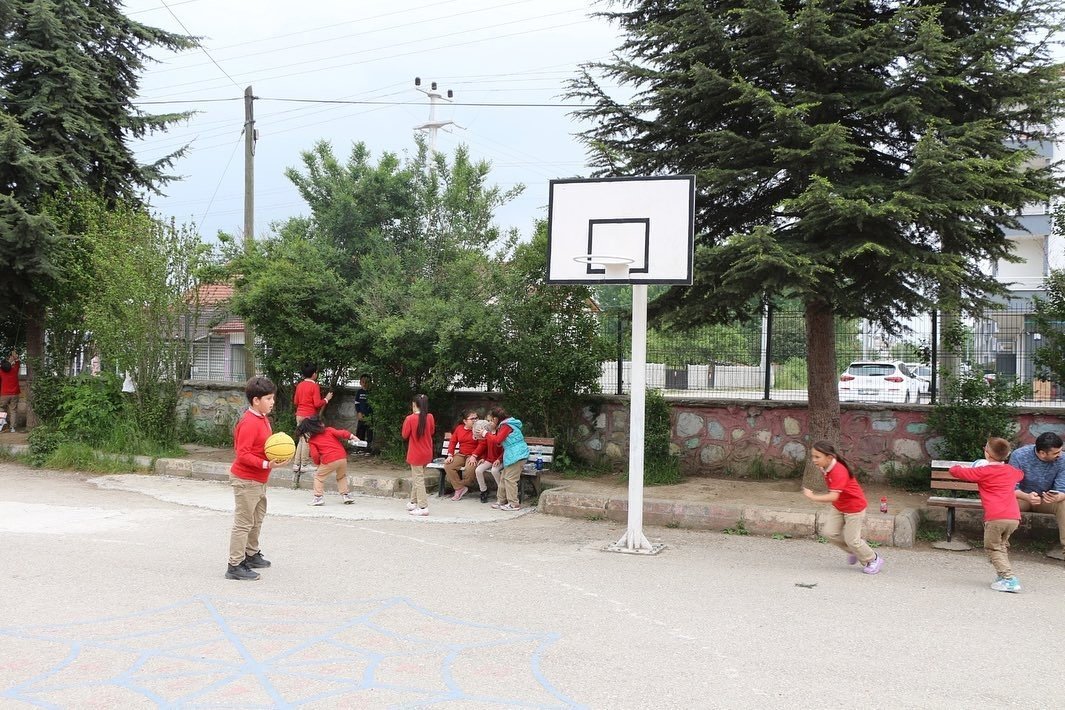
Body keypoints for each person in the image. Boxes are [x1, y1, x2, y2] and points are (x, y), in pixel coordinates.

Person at [226, 376, 286, 581]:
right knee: (243, 522)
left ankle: (251, 554)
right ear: (255, 401)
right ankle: (234, 565)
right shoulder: (249, 422)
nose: (272, 402)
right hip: (246, 480)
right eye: (268, 398)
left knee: (257, 519)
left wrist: (276, 457)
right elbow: (242, 454)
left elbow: (263, 448)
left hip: (260, 479)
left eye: (272, 398)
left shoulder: (263, 419)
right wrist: (265, 464)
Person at [949, 438, 1024, 593]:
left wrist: (958, 466)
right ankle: (1002, 576)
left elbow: (957, 472)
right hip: (1013, 517)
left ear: (987, 454)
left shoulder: (983, 471)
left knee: (993, 547)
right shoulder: (1011, 471)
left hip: (996, 517)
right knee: (1001, 546)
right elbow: (1021, 474)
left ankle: (1009, 579)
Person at [802, 440, 884, 575]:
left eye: (817, 457)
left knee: (852, 540)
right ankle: (857, 551)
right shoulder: (825, 467)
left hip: (854, 508)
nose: (814, 460)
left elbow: (833, 496)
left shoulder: (838, 470)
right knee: (829, 533)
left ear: (829, 457)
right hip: (840, 506)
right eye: (813, 456)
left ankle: (873, 559)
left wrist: (812, 496)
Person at [1009, 431, 1065, 560]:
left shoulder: (1063, 459)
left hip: (1046, 500)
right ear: (1042, 453)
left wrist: (1058, 497)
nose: (1060, 455)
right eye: (1056, 453)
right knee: (1003, 502)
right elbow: (1011, 487)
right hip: (1022, 497)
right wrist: (1027, 497)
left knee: (1063, 504)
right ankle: (998, 547)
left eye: (1060, 451)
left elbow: (1062, 488)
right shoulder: (1019, 456)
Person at [296, 415, 360, 506]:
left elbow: (315, 455)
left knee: (319, 477)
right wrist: (352, 436)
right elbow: (341, 433)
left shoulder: (312, 440)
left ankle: (318, 497)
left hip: (329, 460)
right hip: (342, 458)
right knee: (341, 476)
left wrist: (318, 464)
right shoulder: (329, 430)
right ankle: (346, 496)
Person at [482, 406, 529, 511]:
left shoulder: (506, 426)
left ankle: (513, 504)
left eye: (491, 420)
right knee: (503, 477)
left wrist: (486, 434)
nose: (490, 422)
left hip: (517, 455)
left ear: (495, 419)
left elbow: (498, 440)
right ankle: (501, 501)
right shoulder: (506, 425)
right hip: (512, 455)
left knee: (510, 479)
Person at [292, 363, 333, 475]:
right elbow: (317, 403)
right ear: (314, 374)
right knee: (306, 440)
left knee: (301, 439)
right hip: (309, 416)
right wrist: (326, 399)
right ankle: (304, 464)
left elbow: (295, 401)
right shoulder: (314, 386)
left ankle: (296, 464)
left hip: (299, 414)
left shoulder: (300, 385)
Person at [402, 393, 435, 517]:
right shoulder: (430, 417)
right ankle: (412, 501)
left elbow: (405, 435)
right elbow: (431, 431)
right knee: (418, 478)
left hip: (415, 454)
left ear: (415, 405)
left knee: (418, 479)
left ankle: (423, 506)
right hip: (427, 452)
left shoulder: (410, 419)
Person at [443, 410, 479, 500]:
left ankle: (459, 485)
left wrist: (475, 456)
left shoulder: (479, 429)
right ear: (465, 421)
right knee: (448, 466)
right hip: (461, 454)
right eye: (472, 418)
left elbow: (483, 445)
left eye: (476, 418)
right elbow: (453, 441)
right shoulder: (459, 428)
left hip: (473, 455)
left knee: (469, 471)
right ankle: (459, 489)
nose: (475, 420)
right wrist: (450, 455)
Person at [469, 418, 502, 503]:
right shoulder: (487, 433)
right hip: (489, 459)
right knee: (478, 470)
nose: (489, 423)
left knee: (494, 470)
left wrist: (499, 459)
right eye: (488, 421)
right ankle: (483, 491)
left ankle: (501, 491)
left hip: (500, 460)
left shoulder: (500, 434)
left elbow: (505, 450)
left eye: (492, 421)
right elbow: (484, 446)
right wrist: (483, 457)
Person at [0, 350, 21, 433]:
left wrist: (8, 361)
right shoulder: (14, 370)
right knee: (13, 411)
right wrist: (14, 356)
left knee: (1, 409)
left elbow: (4, 366)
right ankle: (12, 428)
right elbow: (17, 362)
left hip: (4, 394)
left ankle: (1, 427)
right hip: (15, 394)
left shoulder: (1, 372)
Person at [354, 373, 373, 449]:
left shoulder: (372, 392)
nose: (364, 384)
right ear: (360, 382)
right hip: (362, 415)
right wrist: (359, 412)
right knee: (360, 431)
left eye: (366, 382)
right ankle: (359, 448)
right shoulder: (359, 392)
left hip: (370, 416)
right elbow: (357, 403)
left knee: (370, 432)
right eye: (363, 382)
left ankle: (368, 448)